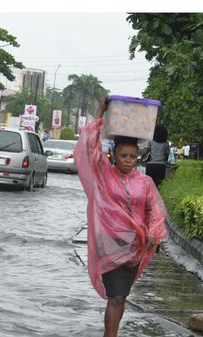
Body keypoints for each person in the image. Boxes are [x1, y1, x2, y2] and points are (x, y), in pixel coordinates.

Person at [74, 98, 167, 337]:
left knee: (122, 295)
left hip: (135, 247)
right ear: (114, 155)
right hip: (110, 243)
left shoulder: (144, 182)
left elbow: (153, 210)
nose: (127, 160)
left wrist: (154, 233)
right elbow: (90, 149)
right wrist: (100, 113)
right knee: (115, 296)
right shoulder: (104, 175)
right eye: (123, 155)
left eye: (132, 156)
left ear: (138, 157)